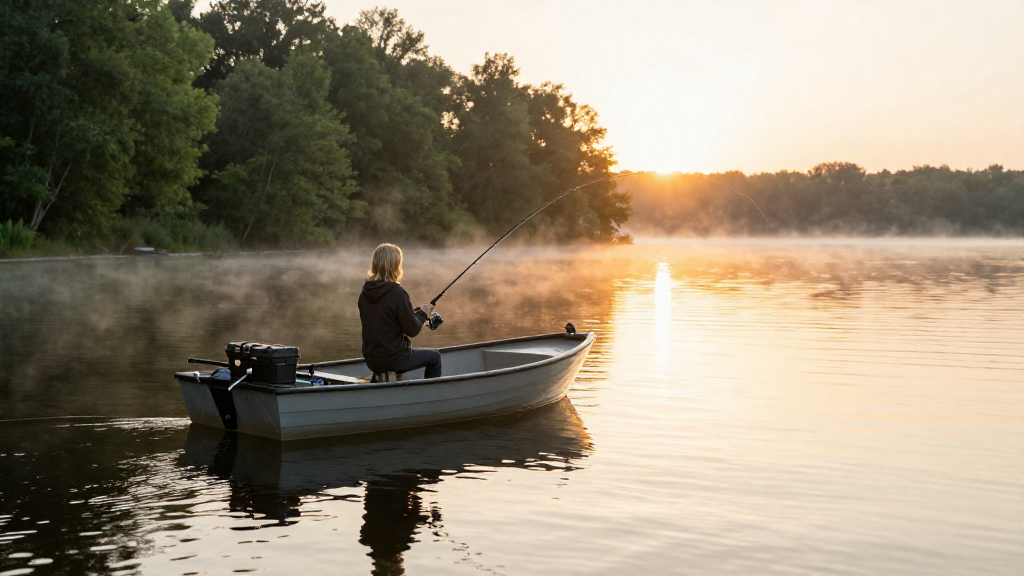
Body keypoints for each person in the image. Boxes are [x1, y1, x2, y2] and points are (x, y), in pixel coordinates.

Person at [358, 243, 442, 379]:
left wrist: (413, 313)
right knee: (434, 357)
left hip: (371, 359)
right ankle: (431, 396)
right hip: (393, 359)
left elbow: (384, 322)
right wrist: (423, 313)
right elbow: (412, 330)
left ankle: (390, 387)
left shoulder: (365, 294)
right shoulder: (397, 293)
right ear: (395, 265)